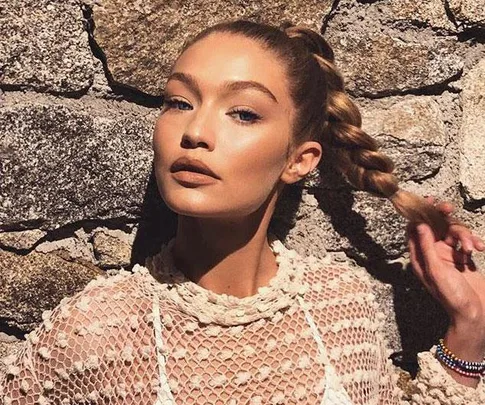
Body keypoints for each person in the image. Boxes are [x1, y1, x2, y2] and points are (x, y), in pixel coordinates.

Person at [1, 19, 484, 405]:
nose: (196, 131)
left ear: (300, 160)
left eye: (243, 112)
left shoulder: (342, 306)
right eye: (179, 102)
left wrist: (471, 331)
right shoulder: (97, 331)